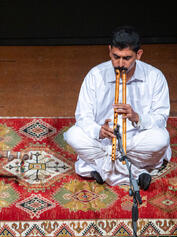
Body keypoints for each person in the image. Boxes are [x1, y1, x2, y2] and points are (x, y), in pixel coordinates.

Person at [64, 26, 171, 189]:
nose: (120, 64)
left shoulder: (155, 77)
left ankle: (102, 169)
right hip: (105, 141)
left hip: (136, 140)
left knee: (160, 139)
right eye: (116, 57)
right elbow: (83, 116)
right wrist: (98, 130)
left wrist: (137, 118)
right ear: (109, 51)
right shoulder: (95, 75)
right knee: (73, 135)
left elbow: (161, 119)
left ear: (139, 55)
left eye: (127, 58)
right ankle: (135, 172)